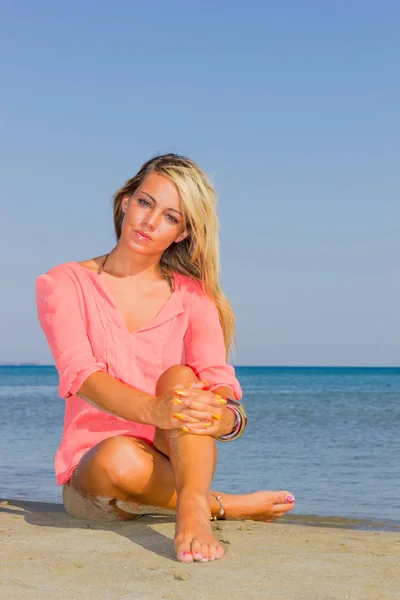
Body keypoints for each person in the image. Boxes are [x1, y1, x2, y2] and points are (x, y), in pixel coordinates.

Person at [36, 153, 295, 564]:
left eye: (171, 217)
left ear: (182, 233)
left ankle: (191, 506)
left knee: (181, 377)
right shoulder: (65, 283)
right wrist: (157, 411)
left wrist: (224, 415)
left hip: (173, 456)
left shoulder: (194, 296)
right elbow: (81, 374)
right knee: (117, 454)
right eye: (145, 203)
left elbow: (216, 379)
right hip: (99, 473)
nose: (150, 221)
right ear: (125, 201)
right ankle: (223, 504)